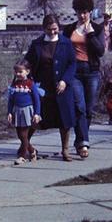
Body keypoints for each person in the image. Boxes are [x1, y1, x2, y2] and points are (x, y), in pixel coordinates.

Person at [25, 14, 77, 162]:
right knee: (36, 119)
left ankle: (65, 150)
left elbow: (72, 64)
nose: (53, 32)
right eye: (49, 30)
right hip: (42, 87)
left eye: (55, 29)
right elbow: (28, 62)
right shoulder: (37, 44)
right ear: (44, 29)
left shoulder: (66, 43)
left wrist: (65, 81)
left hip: (61, 88)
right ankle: (25, 145)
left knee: (64, 120)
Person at [63, 0, 104, 159]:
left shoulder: (98, 28)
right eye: (79, 12)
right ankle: (84, 143)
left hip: (92, 71)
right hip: (75, 72)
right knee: (79, 107)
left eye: (85, 12)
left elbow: (100, 51)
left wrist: (91, 34)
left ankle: (80, 140)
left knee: (88, 109)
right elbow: (63, 49)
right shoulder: (69, 29)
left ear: (90, 12)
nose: (82, 15)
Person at [7, 59, 42, 165]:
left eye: (20, 72)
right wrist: (9, 112)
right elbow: (11, 100)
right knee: (20, 134)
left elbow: (37, 100)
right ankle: (32, 151)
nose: (18, 74)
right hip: (17, 111)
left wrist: (37, 113)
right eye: (16, 72)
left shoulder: (30, 84)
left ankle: (22, 155)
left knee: (23, 134)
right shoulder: (14, 85)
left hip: (28, 111)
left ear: (27, 71)